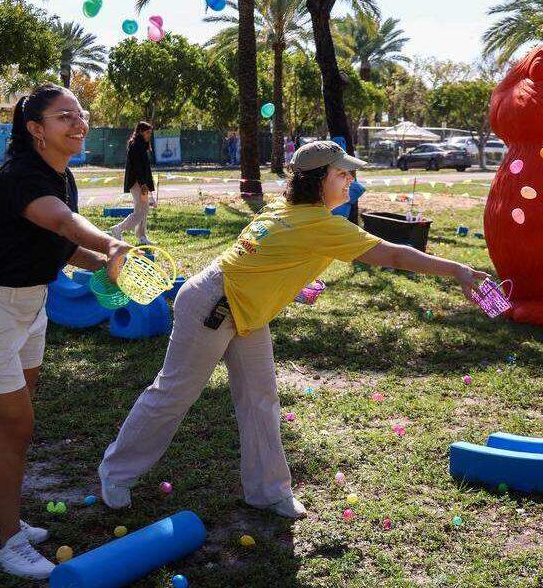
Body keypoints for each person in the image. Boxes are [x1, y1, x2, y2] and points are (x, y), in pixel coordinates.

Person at [98, 141, 488, 519]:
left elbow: (264, 253)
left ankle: (268, 492)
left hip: (246, 309)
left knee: (260, 399)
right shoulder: (317, 222)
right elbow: (393, 253)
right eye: (341, 174)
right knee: (173, 394)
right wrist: (457, 270)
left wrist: (290, 285)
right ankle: (115, 473)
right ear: (317, 179)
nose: (349, 181)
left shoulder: (286, 208)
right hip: (212, 305)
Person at [0, 83, 130, 580]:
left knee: (7, 418)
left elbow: (62, 246)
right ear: (36, 129)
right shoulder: (24, 175)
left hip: (28, 302)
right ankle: (6, 541)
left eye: (82, 114)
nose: (79, 123)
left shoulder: (62, 176)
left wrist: (104, 266)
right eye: (66, 116)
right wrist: (111, 244)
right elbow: (63, 224)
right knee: (14, 426)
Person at [109, 121, 155, 245]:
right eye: (147, 132)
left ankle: (141, 237)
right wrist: (143, 184)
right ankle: (118, 228)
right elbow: (137, 168)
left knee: (143, 210)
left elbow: (145, 168)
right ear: (140, 132)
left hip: (142, 183)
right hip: (138, 183)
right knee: (141, 211)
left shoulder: (142, 145)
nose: (149, 135)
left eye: (150, 133)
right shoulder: (135, 146)